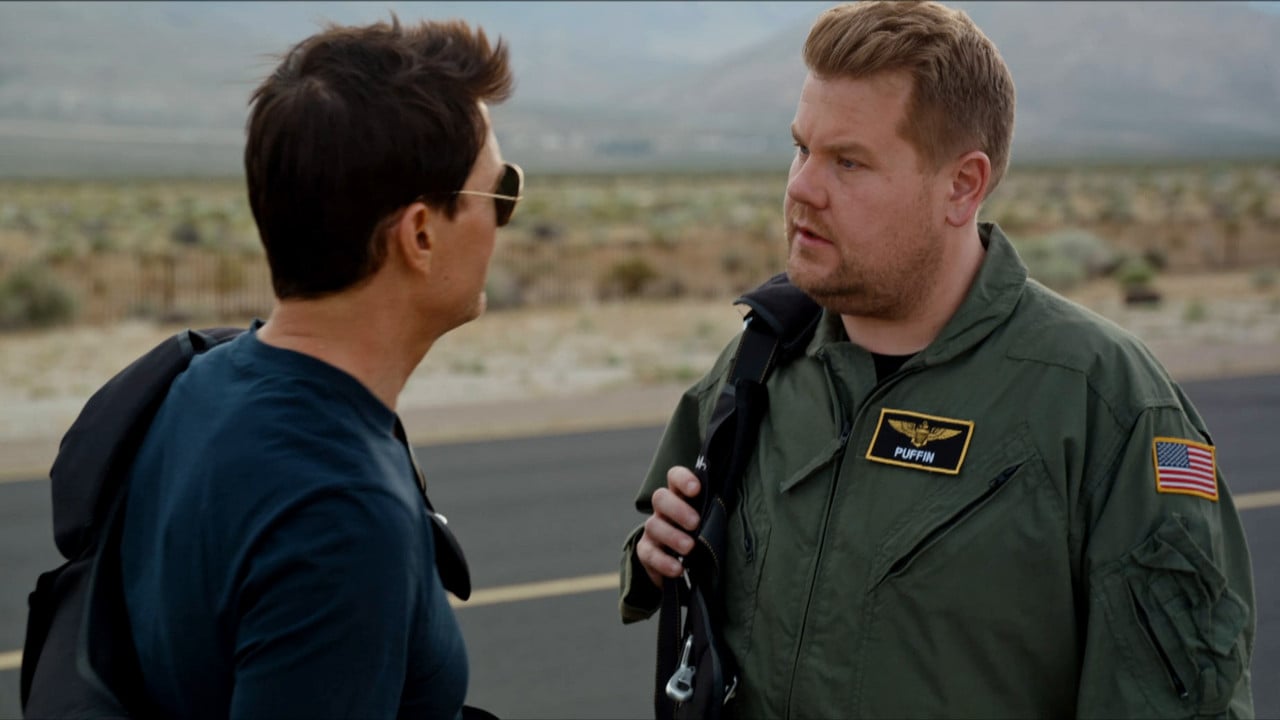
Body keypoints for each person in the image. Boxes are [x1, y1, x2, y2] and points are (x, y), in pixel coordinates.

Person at [619, 1, 1256, 717]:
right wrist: (660, 549)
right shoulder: (764, 357)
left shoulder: (1105, 405)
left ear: (963, 185)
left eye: (848, 161)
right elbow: (658, 539)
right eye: (801, 148)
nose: (801, 187)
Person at [117, 15, 519, 719]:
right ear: (420, 235)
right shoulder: (339, 518)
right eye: (502, 191)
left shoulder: (198, 385)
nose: (506, 219)